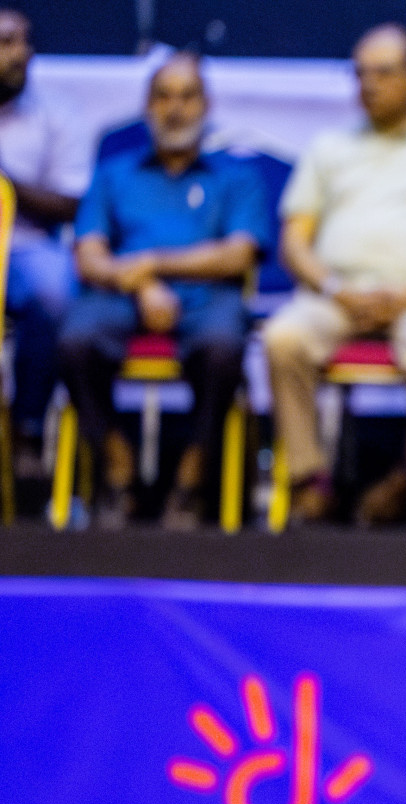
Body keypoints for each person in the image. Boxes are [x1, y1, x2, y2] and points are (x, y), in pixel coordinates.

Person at [263, 22, 406, 526]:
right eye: (360, 73)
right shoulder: (328, 148)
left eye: (383, 73)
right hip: (336, 293)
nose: (368, 85)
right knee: (281, 339)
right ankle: (310, 481)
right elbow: (294, 240)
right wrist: (334, 288)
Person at [58, 53, 267, 529]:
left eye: (188, 97)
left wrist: (152, 263)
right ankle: (115, 460)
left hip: (208, 296)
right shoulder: (114, 173)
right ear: (147, 106)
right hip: (120, 294)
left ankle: (194, 473)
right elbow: (89, 255)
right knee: (75, 340)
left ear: (206, 104)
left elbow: (238, 255)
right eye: (164, 97)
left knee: (222, 347)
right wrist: (143, 283)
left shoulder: (236, 178)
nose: (176, 109)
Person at [0, 8, 91, 476]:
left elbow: (73, 203)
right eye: (5, 43)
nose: (19, 55)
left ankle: (29, 428)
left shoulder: (57, 112)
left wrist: (7, 187)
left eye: (22, 42)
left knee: (56, 289)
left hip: (26, 245)